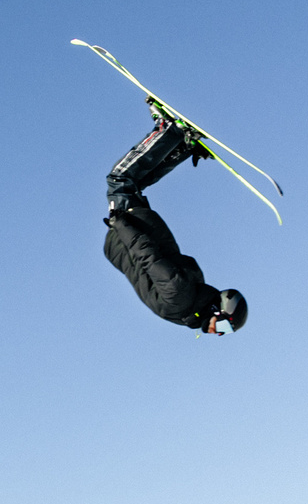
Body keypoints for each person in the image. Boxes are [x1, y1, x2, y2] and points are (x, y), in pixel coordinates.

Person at [103, 109, 247, 335]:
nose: (218, 333)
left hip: (132, 236)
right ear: (217, 310)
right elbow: (148, 256)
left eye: (225, 332)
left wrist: (122, 227)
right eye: (223, 326)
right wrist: (121, 225)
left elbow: (150, 260)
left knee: (129, 183)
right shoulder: (182, 297)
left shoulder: (188, 303)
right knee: (120, 180)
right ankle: (170, 132)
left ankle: (180, 143)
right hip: (129, 236)